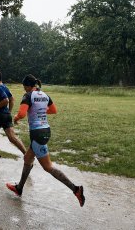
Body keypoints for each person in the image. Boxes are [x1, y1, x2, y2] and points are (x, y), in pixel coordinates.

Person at [6, 74, 85, 207]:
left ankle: (76, 189)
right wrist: (40, 110)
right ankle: (19, 188)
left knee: (48, 167)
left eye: (24, 86)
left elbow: (22, 113)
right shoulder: (44, 95)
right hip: (45, 130)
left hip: (38, 134)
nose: (24, 89)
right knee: (27, 159)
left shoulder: (28, 95)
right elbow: (53, 110)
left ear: (27, 86)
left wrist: (16, 118)